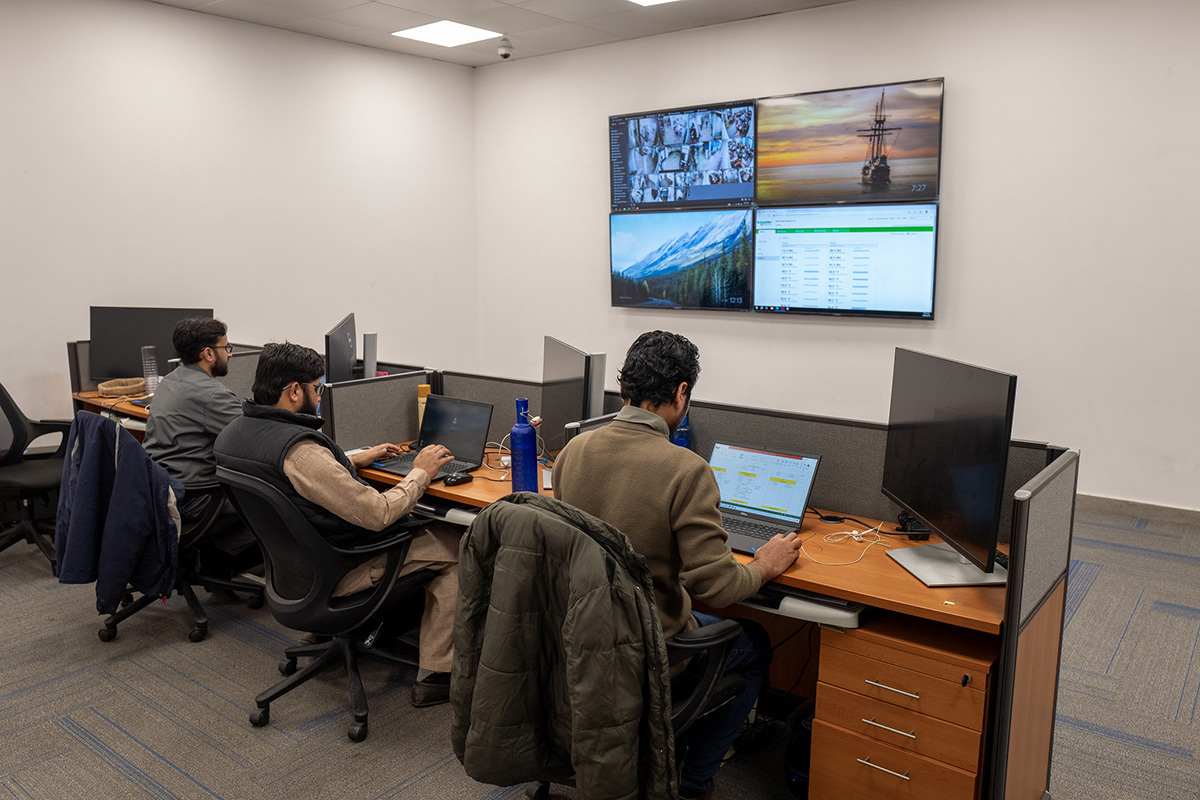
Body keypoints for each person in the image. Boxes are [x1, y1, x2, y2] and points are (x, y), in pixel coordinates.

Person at [552, 330, 801, 800]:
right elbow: (721, 586)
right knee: (753, 643)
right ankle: (693, 782)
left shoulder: (572, 453)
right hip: (651, 649)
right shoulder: (686, 469)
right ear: (681, 392)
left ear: (625, 388)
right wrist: (766, 564)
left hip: (580, 640)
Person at [213, 342, 459, 707]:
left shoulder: (236, 432)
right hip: (342, 569)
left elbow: (296, 479)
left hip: (296, 574)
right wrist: (420, 473)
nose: (320, 394)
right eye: (317, 388)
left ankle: (328, 633)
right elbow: (377, 513)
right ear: (294, 391)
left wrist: (351, 461)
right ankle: (436, 675)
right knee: (455, 542)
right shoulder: (301, 451)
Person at [143, 317, 257, 570]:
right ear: (207, 353)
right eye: (226, 348)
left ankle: (215, 557)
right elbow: (259, 436)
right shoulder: (211, 394)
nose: (229, 354)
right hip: (195, 497)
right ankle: (221, 560)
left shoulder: (169, 381)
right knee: (279, 500)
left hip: (162, 489)